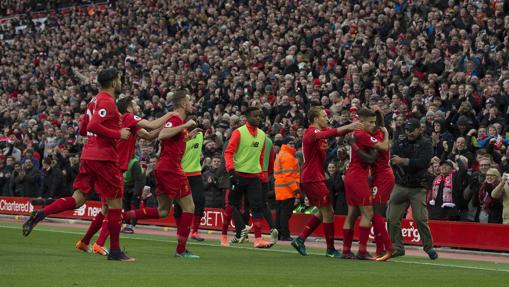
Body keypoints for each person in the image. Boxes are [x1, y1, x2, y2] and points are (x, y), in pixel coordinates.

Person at [22, 67, 134, 261]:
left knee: (78, 198)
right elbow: (91, 126)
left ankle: (41, 213)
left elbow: (83, 129)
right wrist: (118, 134)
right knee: (115, 203)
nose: (121, 83)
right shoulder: (108, 101)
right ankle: (115, 251)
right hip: (104, 158)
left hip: (88, 155)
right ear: (114, 82)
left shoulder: (93, 101)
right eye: (120, 80)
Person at [76, 95, 172, 256]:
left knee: (106, 208)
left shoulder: (128, 122)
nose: (137, 106)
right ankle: (99, 244)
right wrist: (172, 115)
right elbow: (151, 125)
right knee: (114, 209)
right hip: (113, 168)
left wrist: (167, 129)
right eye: (135, 104)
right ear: (128, 108)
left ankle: (85, 241)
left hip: (113, 166)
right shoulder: (128, 117)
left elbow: (149, 135)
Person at [123, 90, 201, 259]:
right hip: (171, 169)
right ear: (182, 104)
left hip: (164, 168)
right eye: (189, 100)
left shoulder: (178, 121)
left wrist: (187, 137)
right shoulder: (175, 119)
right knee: (190, 208)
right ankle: (181, 251)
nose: (191, 103)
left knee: (163, 211)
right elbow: (164, 135)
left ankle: (123, 216)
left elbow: (172, 141)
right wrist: (185, 127)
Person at [291, 106, 361, 258]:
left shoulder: (320, 134)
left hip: (317, 177)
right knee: (328, 211)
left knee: (324, 211)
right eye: (323, 116)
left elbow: (331, 136)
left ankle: (301, 239)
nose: (326, 118)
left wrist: (349, 129)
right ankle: (329, 249)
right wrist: (349, 126)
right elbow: (330, 132)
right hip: (312, 178)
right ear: (315, 119)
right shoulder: (311, 132)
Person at [222, 107, 274, 248]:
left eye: (260, 116)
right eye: (255, 116)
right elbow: (228, 152)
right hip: (238, 175)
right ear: (247, 118)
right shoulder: (238, 132)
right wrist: (231, 171)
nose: (258, 118)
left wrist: (262, 173)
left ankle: (258, 239)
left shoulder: (262, 135)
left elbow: (262, 156)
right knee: (231, 206)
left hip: (253, 177)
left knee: (257, 207)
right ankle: (224, 234)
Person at [386, 118, 438, 260]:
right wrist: (403, 162)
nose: (409, 133)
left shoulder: (426, 143)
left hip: (418, 187)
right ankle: (397, 247)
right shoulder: (400, 141)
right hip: (400, 185)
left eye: (412, 130)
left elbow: (422, 162)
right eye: (407, 130)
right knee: (391, 218)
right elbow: (392, 157)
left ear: (419, 129)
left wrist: (403, 161)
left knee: (420, 218)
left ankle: (429, 247)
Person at [342, 108, 389, 260]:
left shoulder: (358, 134)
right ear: (361, 122)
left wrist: (380, 118)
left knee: (352, 214)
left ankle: (346, 250)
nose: (372, 125)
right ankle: (362, 250)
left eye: (374, 122)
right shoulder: (362, 134)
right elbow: (383, 147)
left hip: (350, 175)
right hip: (358, 177)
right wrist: (386, 134)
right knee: (368, 212)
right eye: (370, 123)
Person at [174, 130, 206, 242]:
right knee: (179, 204)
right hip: (181, 173)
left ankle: (195, 231)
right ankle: (179, 231)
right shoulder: (179, 135)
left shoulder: (200, 134)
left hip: (196, 173)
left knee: (200, 200)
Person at [274, 137, 300, 241]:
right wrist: (296, 189)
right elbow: (288, 176)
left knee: (280, 213)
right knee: (285, 213)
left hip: (280, 189)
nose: (293, 145)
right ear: (285, 144)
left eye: (294, 143)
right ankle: (285, 234)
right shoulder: (288, 156)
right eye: (290, 143)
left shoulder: (281, 155)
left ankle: (279, 233)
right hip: (287, 189)